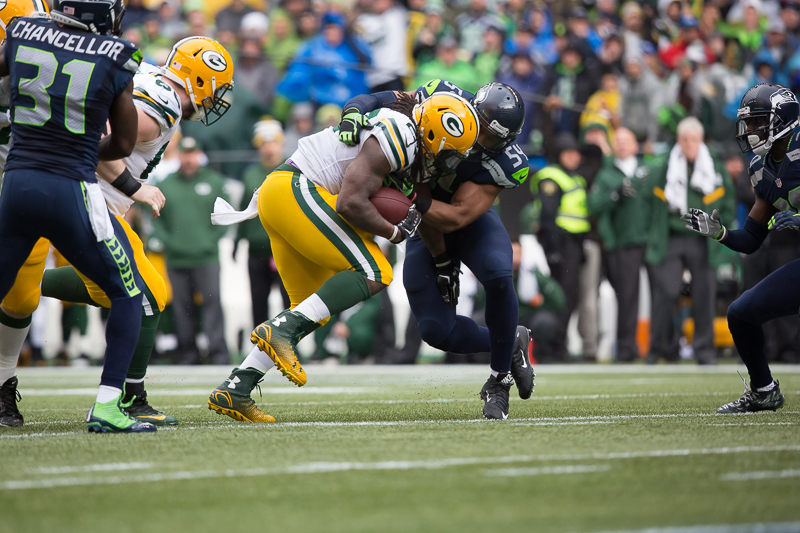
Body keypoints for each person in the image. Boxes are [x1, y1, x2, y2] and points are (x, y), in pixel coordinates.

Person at [206, 92, 478, 422]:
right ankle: (277, 332)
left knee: (309, 308)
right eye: (450, 152)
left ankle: (237, 387)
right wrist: (394, 233)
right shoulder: (402, 135)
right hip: (295, 189)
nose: (451, 162)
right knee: (377, 271)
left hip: (281, 195)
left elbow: (418, 211)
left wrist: (444, 262)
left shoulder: (413, 150)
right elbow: (349, 202)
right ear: (434, 134)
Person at [37, 37, 235, 426]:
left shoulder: (149, 79)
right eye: (215, 88)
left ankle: (22, 283)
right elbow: (88, 138)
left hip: (86, 196)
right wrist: (134, 186)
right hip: (87, 197)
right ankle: (127, 398)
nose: (215, 99)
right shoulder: (163, 105)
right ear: (199, 79)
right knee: (143, 295)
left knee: (146, 291)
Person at [338, 81, 536, 420]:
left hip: (461, 220)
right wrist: (354, 111)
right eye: (480, 126)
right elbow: (379, 98)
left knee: (498, 273)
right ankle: (509, 339)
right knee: (434, 330)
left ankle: (499, 379)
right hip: (421, 225)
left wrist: (410, 195)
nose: (478, 139)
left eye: (489, 137)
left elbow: (458, 216)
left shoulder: (505, 162)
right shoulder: (443, 99)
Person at [0, 0, 153, 433]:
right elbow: (123, 144)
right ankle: (107, 406)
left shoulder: (23, 31)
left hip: (17, 182)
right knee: (128, 294)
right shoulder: (115, 55)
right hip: (71, 188)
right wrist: (82, 148)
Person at [682, 83, 798, 412]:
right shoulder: (762, 169)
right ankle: (764, 391)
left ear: (782, 119)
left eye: (758, 122)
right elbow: (751, 239)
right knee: (741, 313)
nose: (750, 130)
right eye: (748, 123)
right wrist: (721, 233)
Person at [646, 117, 734, 366]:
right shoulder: (664, 166)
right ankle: (658, 348)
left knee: (705, 292)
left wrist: (721, 232)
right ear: (678, 140)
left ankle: (704, 350)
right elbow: (648, 201)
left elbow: (727, 202)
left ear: (701, 140)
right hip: (672, 235)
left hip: (703, 239)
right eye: (684, 139)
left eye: (694, 139)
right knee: (667, 291)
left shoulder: (714, 166)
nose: (689, 144)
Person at [151, 137, 231, 366]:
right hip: (176, 258)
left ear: (199, 155)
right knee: (182, 306)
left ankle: (217, 352)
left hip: (207, 257)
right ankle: (187, 352)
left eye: (192, 154)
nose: (188, 159)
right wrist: (168, 242)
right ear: (179, 156)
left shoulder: (215, 182)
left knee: (212, 302)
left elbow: (226, 216)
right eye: (184, 154)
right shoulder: (166, 183)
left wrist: (209, 240)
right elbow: (156, 218)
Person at [588, 128, 651, 362]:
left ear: (636, 145)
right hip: (624, 243)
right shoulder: (606, 174)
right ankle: (625, 348)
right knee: (627, 296)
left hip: (651, 240)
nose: (623, 145)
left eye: (628, 140)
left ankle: (663, 346)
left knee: (664, 291)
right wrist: (615, 194)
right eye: (619, 141)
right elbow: (593, 205)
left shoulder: (649, 170)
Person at [531, 133, 590, 362]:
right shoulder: (552, 177)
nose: (574, 158)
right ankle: (552, 348)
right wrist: (553, 250)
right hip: (560, 245)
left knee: (570, 298)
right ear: (559, 155)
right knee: (561, 299)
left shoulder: (575, 178)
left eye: (576, 153)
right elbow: (548, 217)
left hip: (574, 244)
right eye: (569, 153)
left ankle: (559, 345)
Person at [239, 118, 290, 327]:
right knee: (258, 301)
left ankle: (290, 346)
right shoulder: (250, 174)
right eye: (264, 143)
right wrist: (239, 238)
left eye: (273, 142)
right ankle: (260, 348)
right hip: (257, 249)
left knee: (290, 303)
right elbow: (244, 209)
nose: (269, 148)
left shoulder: (292, 168)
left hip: (286, 249)